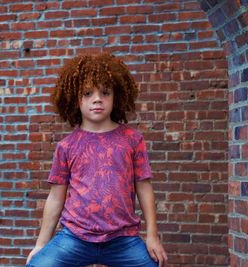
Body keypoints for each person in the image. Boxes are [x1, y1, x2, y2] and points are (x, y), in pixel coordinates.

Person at [26, 53, 168, 267]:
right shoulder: (67, 146)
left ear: (115, 97)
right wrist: (40, 244)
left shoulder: (132, 140)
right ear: (75, 98)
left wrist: (152, 236)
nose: (97, 99)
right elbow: (56, 198)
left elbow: (144, 187)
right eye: (87, 93)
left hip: (123, 240)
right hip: (75, 238)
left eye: (105, 92)